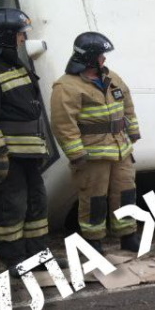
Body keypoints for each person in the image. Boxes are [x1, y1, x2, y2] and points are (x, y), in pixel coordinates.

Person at [0, 8, 51, 274]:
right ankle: (15, 261)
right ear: (4, 36)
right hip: (2, 156)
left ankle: (38, 257)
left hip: (25, 154)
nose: (22, 38)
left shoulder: (12, 62)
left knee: (37, 205)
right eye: (19, 34)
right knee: (11, 208)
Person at [50, 32, 141, 253]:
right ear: (89, 58)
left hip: (121, 150)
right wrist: (76, 154)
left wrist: (133, 131)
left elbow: (127, 106)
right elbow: (63, 124)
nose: (104, 59)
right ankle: (93, 242)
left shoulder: (112, 78)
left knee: (126, 193)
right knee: (94, 199)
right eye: (101, 55)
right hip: (92, 155)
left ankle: (128, 236)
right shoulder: (66, 86)